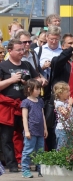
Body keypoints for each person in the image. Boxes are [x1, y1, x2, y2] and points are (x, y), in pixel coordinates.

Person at [0, 39, 40, 174]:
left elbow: (38, 79)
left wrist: (29, 82)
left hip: (26, 105)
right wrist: (11, 80)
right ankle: (12, 164)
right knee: (7, 137)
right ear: (9, 50)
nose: (22, 52)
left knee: (27, 135)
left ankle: (26, 162)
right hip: (8, 106)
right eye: (18, 50)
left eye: (23, 50)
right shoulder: (3, 66)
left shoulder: (27, 64)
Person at [19, 79, 44, 178]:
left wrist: (45, 129)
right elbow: (24, 117)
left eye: (39, 89)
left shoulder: (40, 101)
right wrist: (26, 131)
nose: (38, 91)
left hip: (40, 130)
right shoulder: (26, 102)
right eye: (36, 89)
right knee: (28, 150)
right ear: (29, 89)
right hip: (31, 130)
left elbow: (42, 116)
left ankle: (40, 168)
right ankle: (25, 169)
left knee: (40, 151)